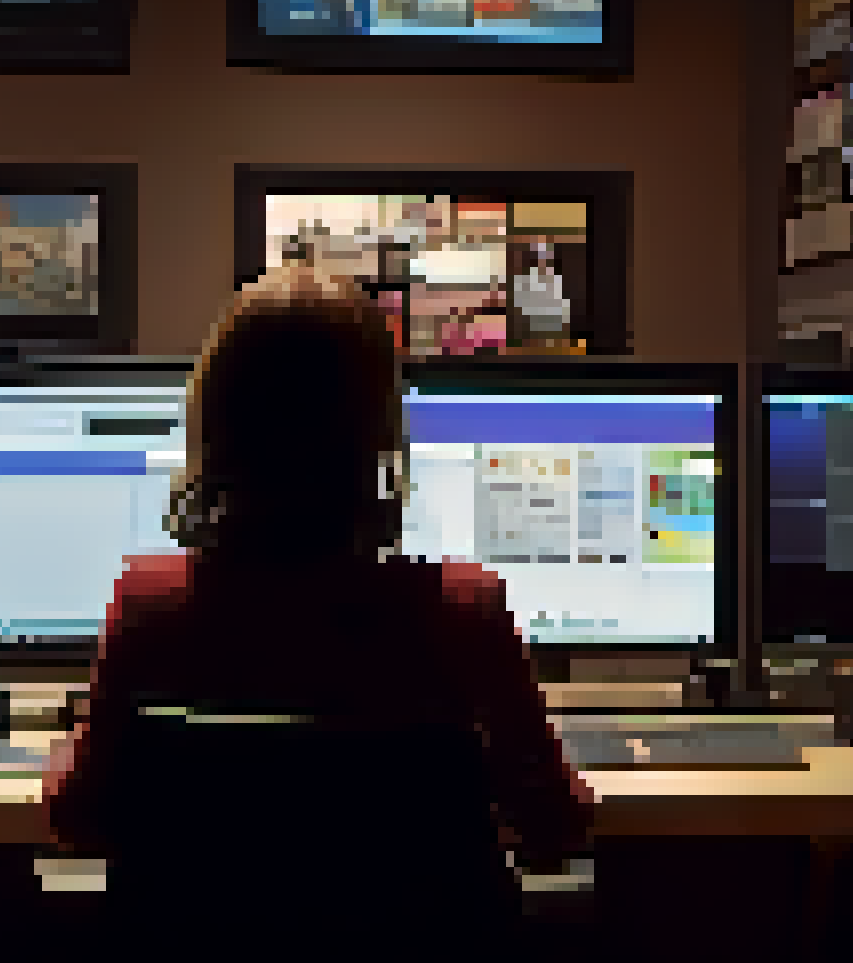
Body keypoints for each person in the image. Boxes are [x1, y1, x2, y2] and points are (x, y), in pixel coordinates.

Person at [44, 261, 594, 956]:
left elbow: (81, 822)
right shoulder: (461, 610)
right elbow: (553, 828)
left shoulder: (151, 606)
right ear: (376, 431)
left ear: (214, 424)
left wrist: (67, 747)